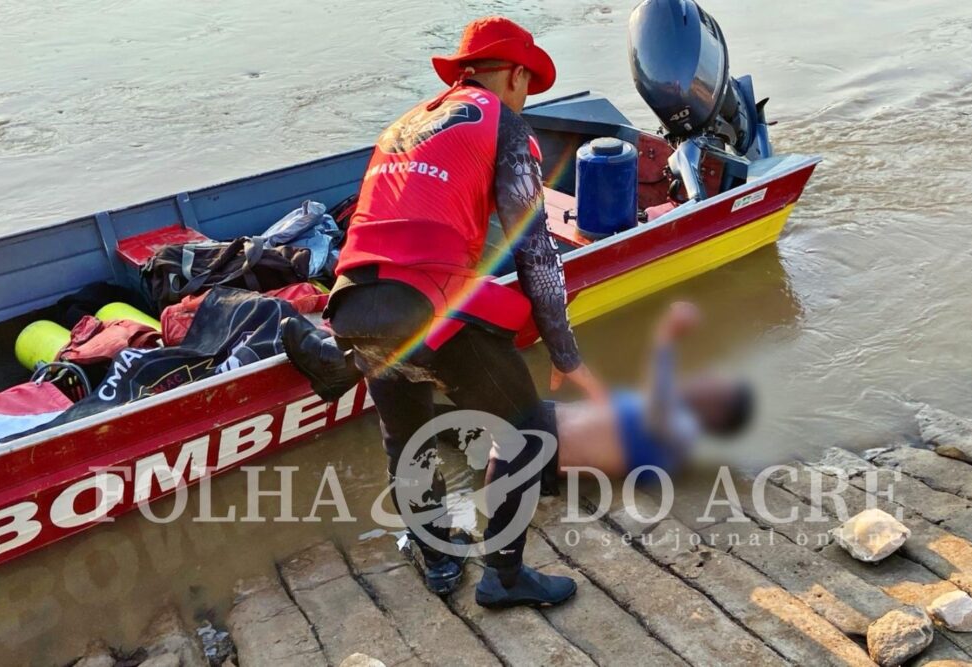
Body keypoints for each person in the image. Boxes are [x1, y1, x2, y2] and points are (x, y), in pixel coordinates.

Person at [284, 16, 602, 609]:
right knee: (528, 432)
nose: (526, 96)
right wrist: (565, 353)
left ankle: (437, 559)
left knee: (406, 441)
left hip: (352, 298)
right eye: (526, 83)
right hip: (428, 306)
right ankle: (504, 577)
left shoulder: (403, 126)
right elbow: (533, 251)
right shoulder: (504, 125)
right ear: (511, 75)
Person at [544, 302, 753, 481]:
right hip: (543, 421)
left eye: (715, 384)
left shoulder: (681, 436)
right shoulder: (673, 418)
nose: (708, 375)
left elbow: (659, 410)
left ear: (717, 411)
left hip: (538, 447)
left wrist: (666, 337)